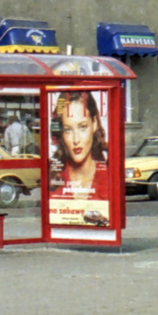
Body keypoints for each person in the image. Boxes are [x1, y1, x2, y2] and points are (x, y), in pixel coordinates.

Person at [48, 92, 110, 224]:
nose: (76, 140)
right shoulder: (53, 176)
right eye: (68, 129)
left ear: (94, 124)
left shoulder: (110, 175)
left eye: (82, 127)